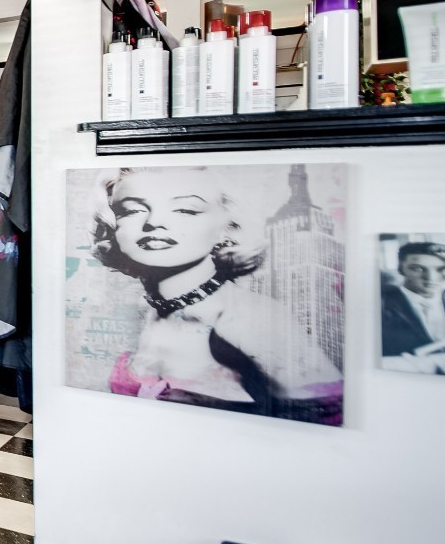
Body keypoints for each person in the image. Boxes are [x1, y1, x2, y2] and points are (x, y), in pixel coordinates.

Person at [93, 168, 340, 422]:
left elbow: (328, 418)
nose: (154, 222)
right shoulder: (145, 310)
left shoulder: (247, 317)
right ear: (113, 226)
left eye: (186, 210)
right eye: (132, 210)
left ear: (228, 226)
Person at [381, 239, 445, 373]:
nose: (431, 277)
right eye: (418, 269)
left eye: (441, 269)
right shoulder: (380, 303)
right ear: (401, 269)